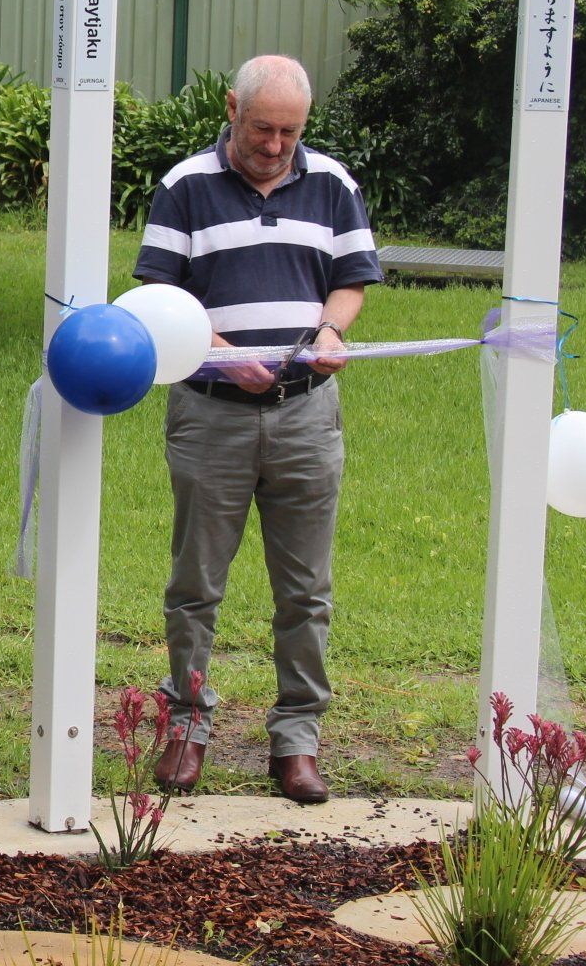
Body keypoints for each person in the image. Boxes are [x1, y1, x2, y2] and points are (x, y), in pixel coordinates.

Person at [132, 54, 381, 805]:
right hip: (212, 413)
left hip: (307, 414)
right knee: (195, 585)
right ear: (232, 107)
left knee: (306, 590)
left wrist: (333, 332)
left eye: (290, 131)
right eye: (263, 128)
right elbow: (159, 295)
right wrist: (222, 355)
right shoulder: (184, 187)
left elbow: (350, 278)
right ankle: (187, 728)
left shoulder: (332, 183)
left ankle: (297, 741)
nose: (276, 145)